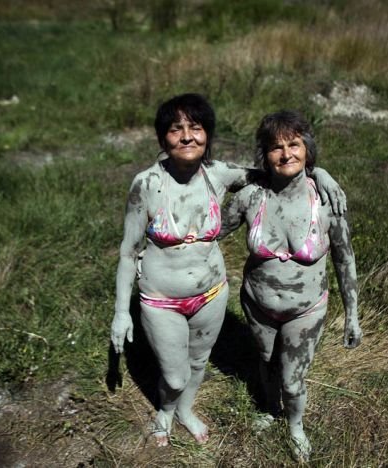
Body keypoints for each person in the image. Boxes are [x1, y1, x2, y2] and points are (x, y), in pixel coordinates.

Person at [110, 94, 346, 447]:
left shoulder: (218, 174)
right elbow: (128, 253)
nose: (187, 137)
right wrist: (120, 313)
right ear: (163, 139)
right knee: (174, 377)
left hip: (211, 294)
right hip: (161, 298)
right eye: (176, 130)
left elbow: (278, 168)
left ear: (207, 135)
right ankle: (166, 410)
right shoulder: (146, 184)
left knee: (199, 362)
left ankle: (186, 411)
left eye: (196, 128)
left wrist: (320, 172)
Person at [219, 110, 362, 461]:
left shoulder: (328, 201)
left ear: (307, 149)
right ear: (264, 156)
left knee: (293, 380)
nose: (286, 154)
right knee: (266, 363)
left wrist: (352, 314)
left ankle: (295, 425)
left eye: (294, 144)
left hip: (306, 310)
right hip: (257, 305)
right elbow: (213, 234)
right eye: (275, 147)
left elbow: (345, 260)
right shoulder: (250, 197)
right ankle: (270, 409)